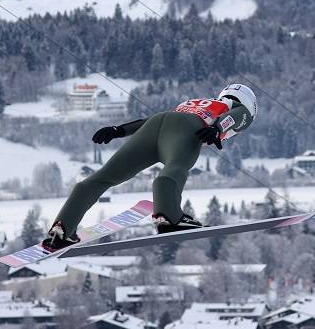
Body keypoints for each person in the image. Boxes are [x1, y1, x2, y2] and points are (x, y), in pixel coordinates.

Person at [42, 84, 257, 251]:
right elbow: (239, 116)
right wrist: (218, 128)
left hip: (155, 124)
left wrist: (119, 130)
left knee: (103, 177)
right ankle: (169, 217)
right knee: (175, 168)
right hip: (189, 128)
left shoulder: (195, 102)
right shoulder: (238, 108)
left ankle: (62, 229)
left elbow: (157, 121)